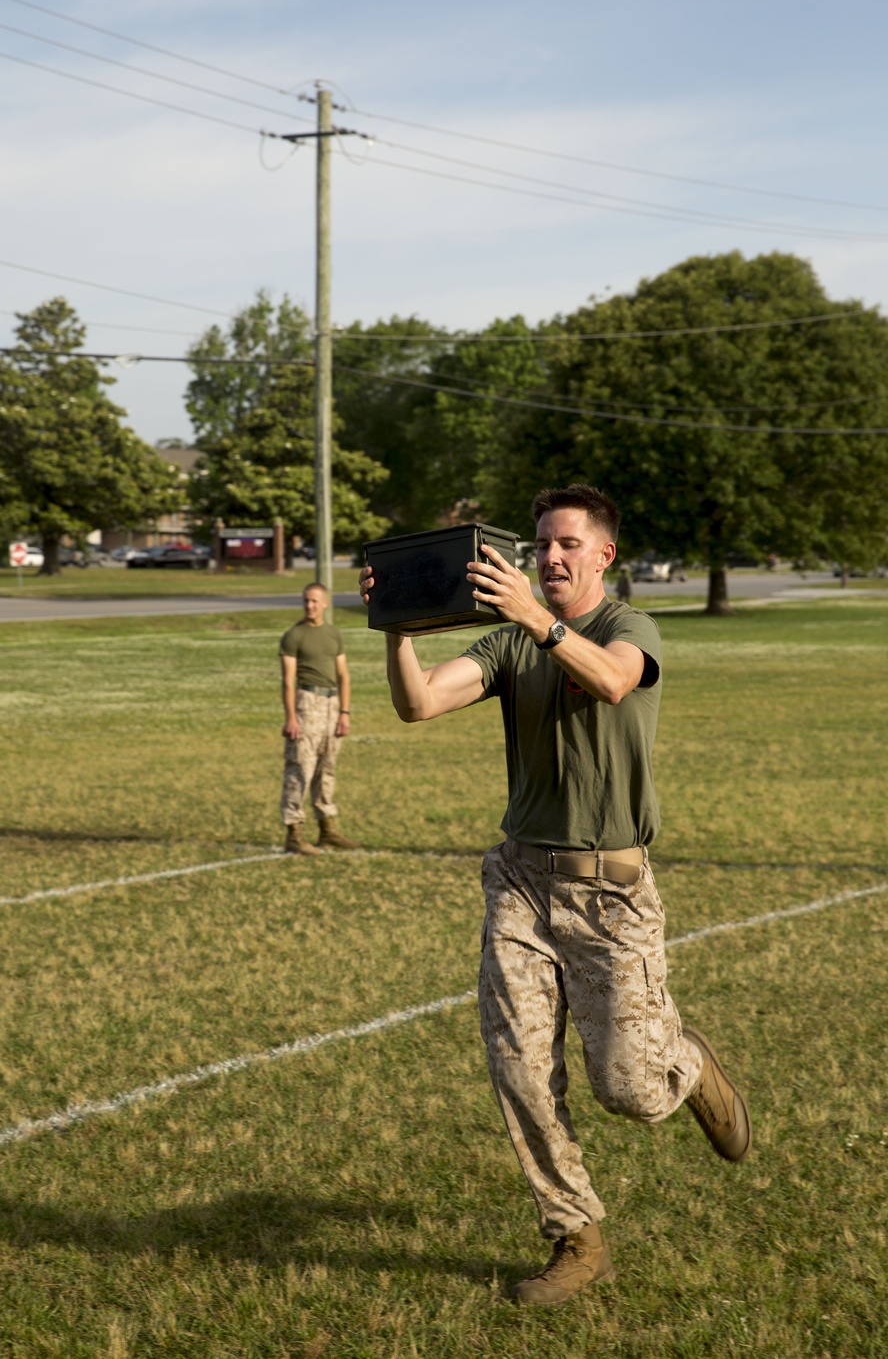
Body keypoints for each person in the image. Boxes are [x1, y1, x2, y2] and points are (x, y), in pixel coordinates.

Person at [359, 483, 751, 1305]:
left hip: (610, 896)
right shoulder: (511, 646)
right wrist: (398, 626)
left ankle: (689, 1063)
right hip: (521, 886)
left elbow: (612, 682)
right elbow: (418, 703)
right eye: (542, 544)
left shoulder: (627, 627)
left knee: (631, 1091)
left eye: (568, 543)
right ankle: (576, 1236)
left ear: (604, 554)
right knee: (521, 1073)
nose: (551, 557)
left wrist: (540, 620)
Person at [279, 582, 355, 855]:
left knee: (326, 769)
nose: (309, 605)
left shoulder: (333, 634)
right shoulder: (293, 636)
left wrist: (344, 712)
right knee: (300, 768)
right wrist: (291, 718)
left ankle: (327, 829)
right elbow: (288, 680)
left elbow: (343, 675)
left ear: (324, 603)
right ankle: (294, 832)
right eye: (306, 601)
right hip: (306, 703)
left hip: (332, 704)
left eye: (314, 601)